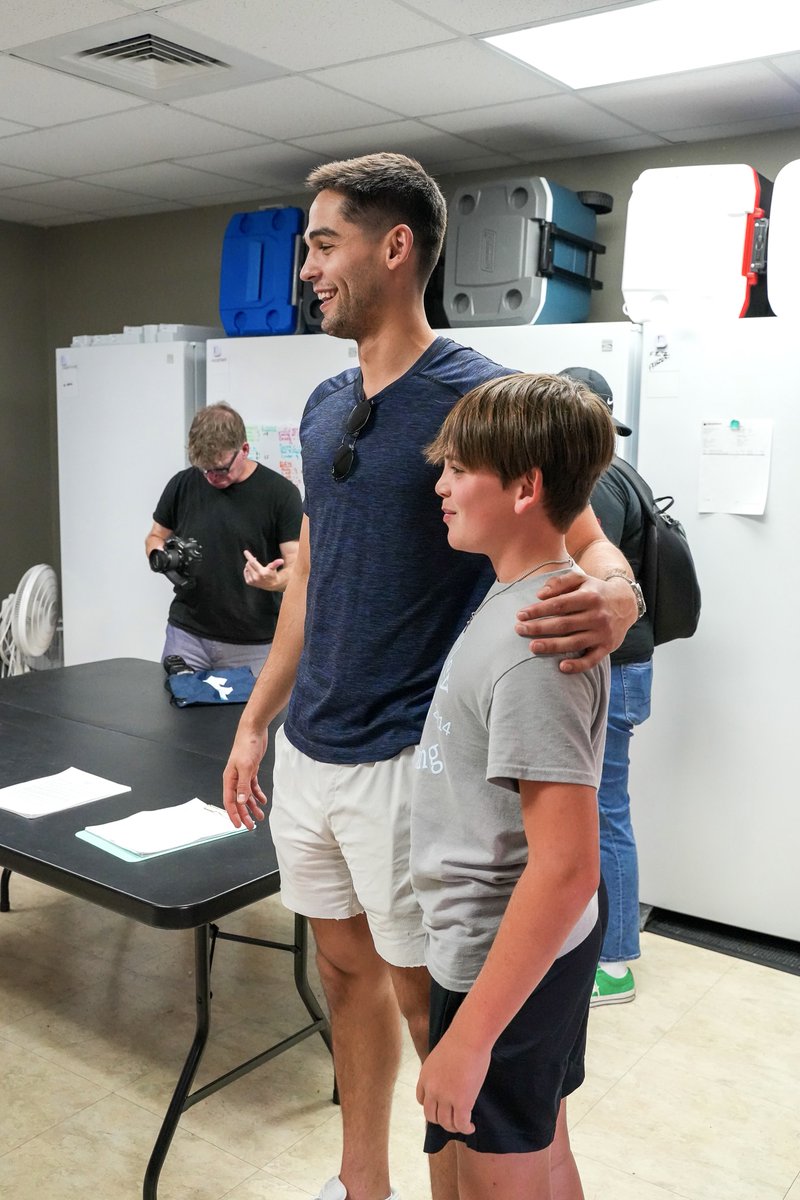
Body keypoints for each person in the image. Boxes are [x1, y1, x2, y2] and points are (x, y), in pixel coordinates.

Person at [222, 153, 642, 1200]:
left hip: (409, 764)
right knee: (341, 973)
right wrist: (255, 723)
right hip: (313, 753)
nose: (304, 269)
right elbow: (314, 574)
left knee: (434, 1012)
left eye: (322, 244)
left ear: (393, 247)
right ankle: (360, 1182)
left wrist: (619, 599)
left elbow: (588, 545)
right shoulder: (323, 405)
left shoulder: (476, 396)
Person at [412, 371, 615, 1200]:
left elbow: (567, 867)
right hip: (505, 953)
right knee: (541, 1151)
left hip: (503, 959)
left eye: (459, 468)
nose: (441, 485)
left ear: (526, 487)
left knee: (496, 1179)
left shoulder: (536, 642)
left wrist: (470, 1039)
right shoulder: (515, 600)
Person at [560, 368, 654, 1006]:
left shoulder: (598, 488)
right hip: (631, 667)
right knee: (603, 811)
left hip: (615, 669)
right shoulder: (627, 474)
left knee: (604, 814)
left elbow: (590, 576)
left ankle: (614, 961)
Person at [145, 403, 302, 676]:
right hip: (186, 637)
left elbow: (299, 569)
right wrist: (161, 557)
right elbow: (155, 535)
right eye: (204, 470)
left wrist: (274, 581)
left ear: (244, 450)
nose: (211, 478)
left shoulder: (280, 494)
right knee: (175, 717)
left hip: (253, 644)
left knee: (247, 720)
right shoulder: (182, 484)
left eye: (220, 469)